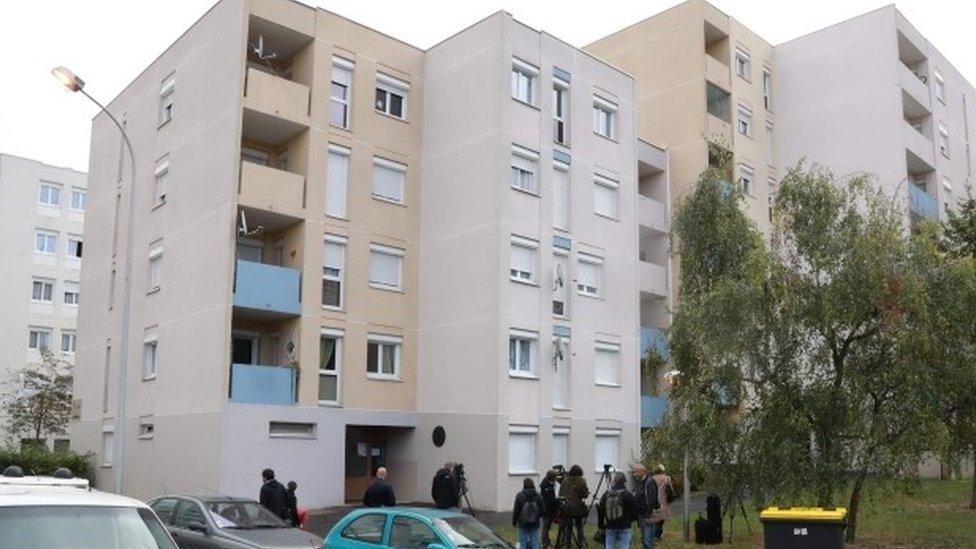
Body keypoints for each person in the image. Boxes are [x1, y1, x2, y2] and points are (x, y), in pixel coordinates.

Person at [597, 472, 637, 549]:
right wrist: (631, 520)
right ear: (624, 481)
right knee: (625, 546)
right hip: (625, 525)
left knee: (609, 546)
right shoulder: (627, 494)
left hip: (610, 525)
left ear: (614, 481)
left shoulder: (606, 494)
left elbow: (601, 510)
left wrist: (601, 525)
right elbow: (634, 510)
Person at [558, 465, 590, 549]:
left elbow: (560, 494)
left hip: (567, 507)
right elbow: (585, 495)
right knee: (579, 526)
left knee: (568, 527)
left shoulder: (564, 481)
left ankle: (567, 544)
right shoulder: (582, 481)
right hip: (577, 507)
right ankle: (581, 544)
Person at [512, 478, 546, 549]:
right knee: (535, 544)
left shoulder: (520, 495)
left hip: (523, 522)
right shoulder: (538, 496)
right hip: (534, 522)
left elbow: (516, 510)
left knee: (523, 544)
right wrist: (538, 517)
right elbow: (543, 510)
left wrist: (514, 522)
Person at [631, 464, 658, 549]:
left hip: (647, 515)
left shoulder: (650, 482)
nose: (634, 474)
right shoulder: (639, 482)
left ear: (643, 471)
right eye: (634, 472)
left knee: (648, 539)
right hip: (640, 514)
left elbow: (652, 500)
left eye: (636, 472)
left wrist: (647, 515)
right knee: (643, 538)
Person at [649, 464, 675, 540]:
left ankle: (654, 534)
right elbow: (671, 489)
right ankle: (657, 535)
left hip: (653, 499)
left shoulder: (651, 479)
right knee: (661, 518)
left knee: (654, 517)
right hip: (663, 499)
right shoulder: (667, 478)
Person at [539, 470, 559, 548]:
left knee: (547, 527)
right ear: (552, 478)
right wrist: (557, 500)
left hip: (547, 509)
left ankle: (547, 541)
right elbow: (550, 500)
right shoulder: (548, 487)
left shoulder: (546, 484)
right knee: (546, 527)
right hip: (547, 510)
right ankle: (545, 543)